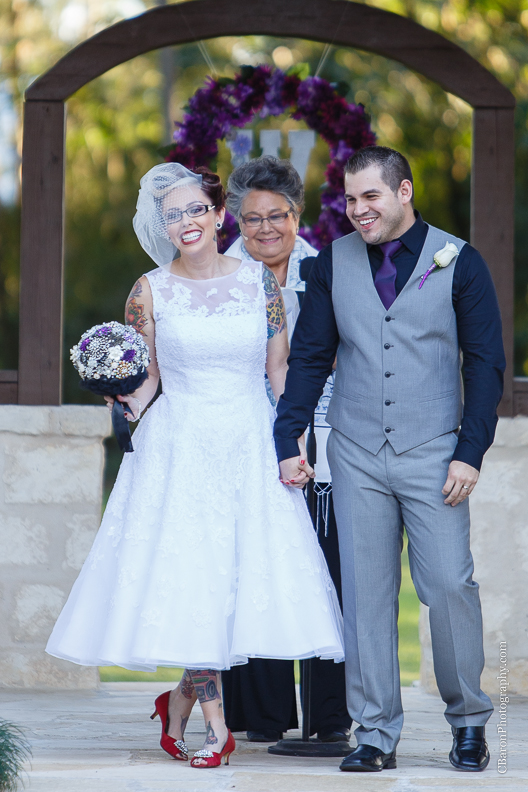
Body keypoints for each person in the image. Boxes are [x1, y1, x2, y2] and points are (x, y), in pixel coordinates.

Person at [46, 162, 344, 769]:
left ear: (216, 215)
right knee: (195, 582)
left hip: (248, 442)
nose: (184, 222)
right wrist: (122, 392)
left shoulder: (259, 282)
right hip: (178, 448)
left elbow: (280, 370)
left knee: (232, 583)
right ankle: (219, 730)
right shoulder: (147, 290)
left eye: (193, 210)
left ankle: (177, 704)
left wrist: (295, 444)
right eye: (171, 213)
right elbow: (149, 375)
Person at [274, 146, 505, 772]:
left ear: (404, 191)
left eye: (370, 197)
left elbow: (485, 365)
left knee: (450, 585)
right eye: (349, 200)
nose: (358, 211)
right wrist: (288, 434)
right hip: (355, 450)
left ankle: (467, 721)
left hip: (435, 452)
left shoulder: (459, 260)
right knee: (366, 595)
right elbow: (311, 355)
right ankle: (374, 732)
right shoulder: (331, 265)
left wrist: (469, 452)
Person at [222, 156, 351, 744]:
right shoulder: (215, 274)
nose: (266, 228)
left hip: (323, 440)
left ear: (299, 215)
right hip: (241, 442)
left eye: (278, 215)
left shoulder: (329, 271)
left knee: (326, 571)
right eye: (252, 219)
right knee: (255, 573)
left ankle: (330, 719)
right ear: (236, 221)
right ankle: (262, 717)